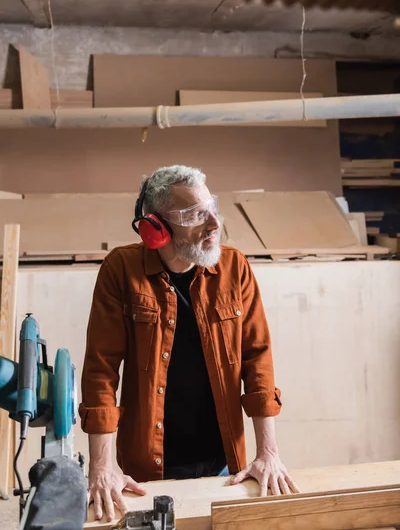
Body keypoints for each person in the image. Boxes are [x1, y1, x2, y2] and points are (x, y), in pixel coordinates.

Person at [79, 165, 299, 522]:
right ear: (156, 228)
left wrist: (268, 453)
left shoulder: (234, 267)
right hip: (147, 469)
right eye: (197, 214)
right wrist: (102, 466)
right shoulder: (121, 270)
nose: (214, 224)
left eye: (212, 208)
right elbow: (100, 370)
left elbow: (257, 359)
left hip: (224, 463)